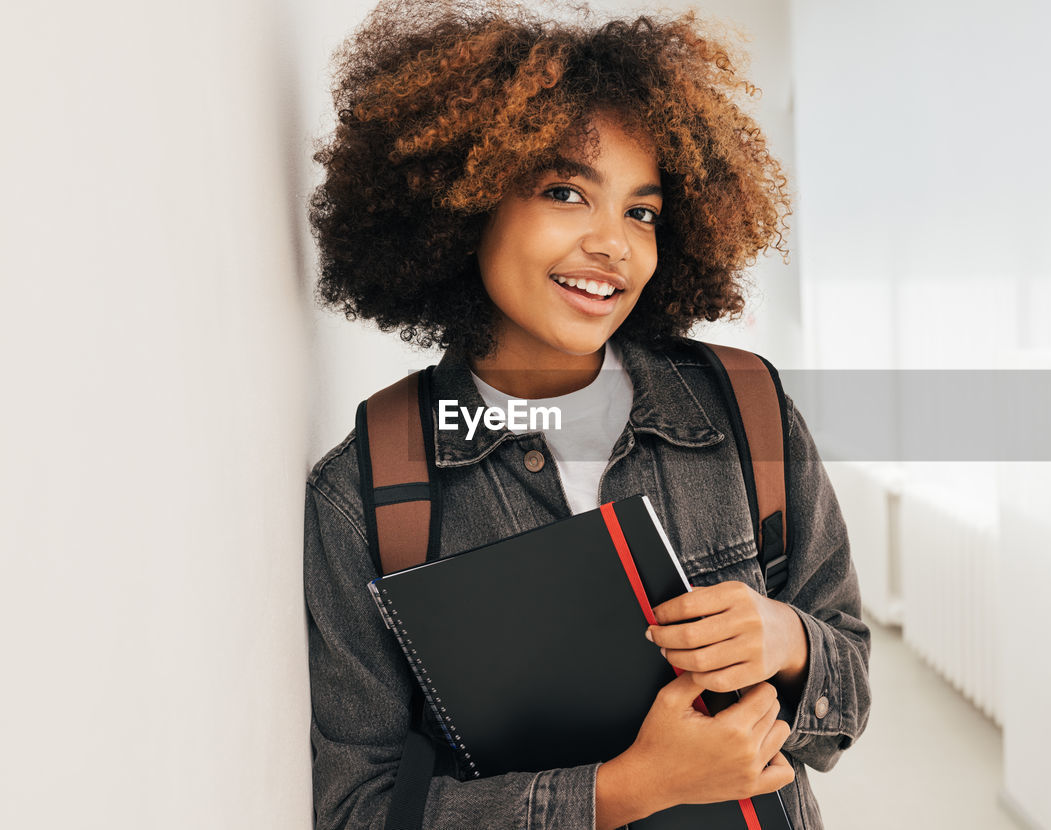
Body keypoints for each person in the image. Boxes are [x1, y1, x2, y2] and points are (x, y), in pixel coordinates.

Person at [303, 2, 870, 828]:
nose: (614, 245)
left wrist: (786, 639)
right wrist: (626, 789)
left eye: (641, 211)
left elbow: (844, 701)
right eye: (566, 192)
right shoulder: (366, 493)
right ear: (465, 201)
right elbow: (358, 811)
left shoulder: (747, 410)